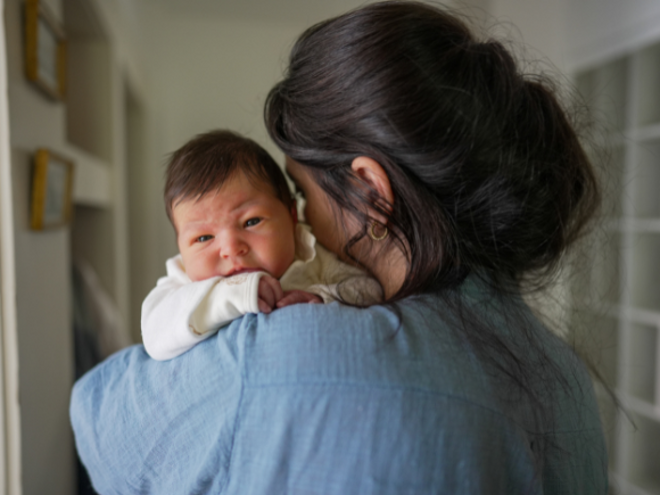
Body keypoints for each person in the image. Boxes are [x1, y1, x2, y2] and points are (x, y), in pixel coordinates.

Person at [70, 2, 609, 494]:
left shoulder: (283, 347)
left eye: (301, 193)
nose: (302, 216)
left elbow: (96, 420)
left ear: (372, 192)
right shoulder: (566, 379)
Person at [142, 130, 380, 361]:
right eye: (203, 238)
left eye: (251, 222)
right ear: (181, 247)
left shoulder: (312, 252)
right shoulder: (183, 280)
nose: (231, 248)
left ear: (292, 217)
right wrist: (230, 296)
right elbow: (153, 334)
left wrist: (323, 298)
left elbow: (369, 289)